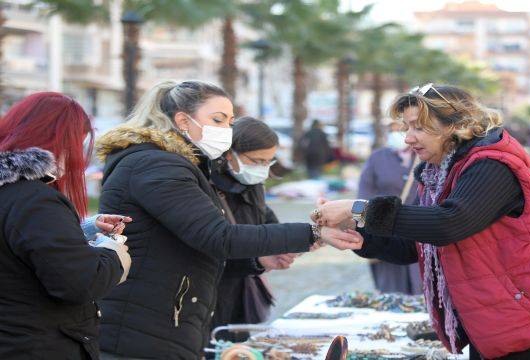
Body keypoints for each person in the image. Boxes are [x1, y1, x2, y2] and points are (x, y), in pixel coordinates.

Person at [312, 84, 530, 359]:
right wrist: (359, 236)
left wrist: (359, 208)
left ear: (454, 125)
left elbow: (447, 224)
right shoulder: (438, 173)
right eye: (406, 127)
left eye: (419, 127)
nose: (408, 138)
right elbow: (417, 244)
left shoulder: (491, 164)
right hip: (495, 316)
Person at [95, 80, 361, 359]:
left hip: (167, 320)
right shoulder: (156, 165)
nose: (226, 130)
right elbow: (217, 236)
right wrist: (314, 233)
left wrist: (262, 257)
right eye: (217, 120)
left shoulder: (181, 165)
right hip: (142, 326)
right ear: (183, 120)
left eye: (230, 121)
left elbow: (204, 241)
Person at [0, 92, 131, 359]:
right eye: (75, 145)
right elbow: (78, 283)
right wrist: (113, 252)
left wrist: (80, 230)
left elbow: (16, 249)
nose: (76, 157)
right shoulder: (35, 199)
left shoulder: (13, 192)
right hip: (39, 344)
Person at [209, 117, 300, 342]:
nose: (261, 169)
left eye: (268, 162)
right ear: (230, 154)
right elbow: (219, 244)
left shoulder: (253, 185)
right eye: (256, 161)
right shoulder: (204, 187)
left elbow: (268, 223)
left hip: (240, 296)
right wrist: (259, 259)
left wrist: (302, 239)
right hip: (210, 300)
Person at [358, 121, 422, 295]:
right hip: (386, 228)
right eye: (392, 130)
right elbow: (364, 193)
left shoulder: (424, 155)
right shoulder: (377, 157)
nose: (396, 134)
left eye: (400, 130)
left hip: (419, 227)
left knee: (422, 282)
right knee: (391, 287)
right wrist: (363, 222)